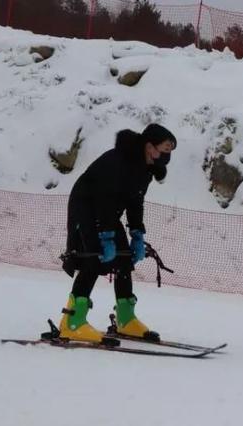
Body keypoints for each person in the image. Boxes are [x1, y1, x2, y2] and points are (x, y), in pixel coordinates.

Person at [59, 124, 176, 343]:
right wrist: (106, 236)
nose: (167, 156)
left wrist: (137, 233)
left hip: (108, 214)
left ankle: (126, 319)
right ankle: (71, 322)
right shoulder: (119, 160)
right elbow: (105, 197)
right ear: (149, 146)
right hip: (86, 208)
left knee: (124, 259)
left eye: (170, 151)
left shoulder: (146, 169)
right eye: (165, 150)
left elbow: (135, 201)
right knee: (93, 259)